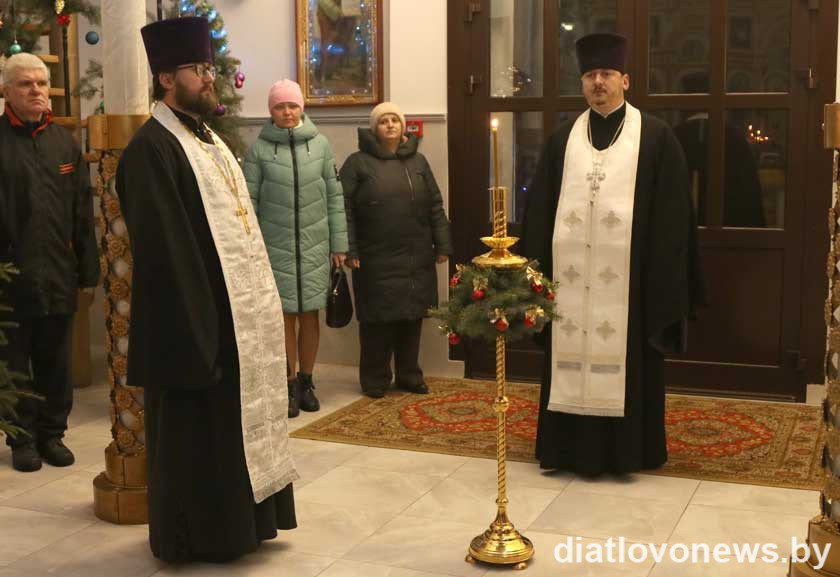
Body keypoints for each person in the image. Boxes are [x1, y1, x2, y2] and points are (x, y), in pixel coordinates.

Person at [115, 17, 297, 562]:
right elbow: (165, 254)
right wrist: (203, 330)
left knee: (230, 431)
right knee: (195, 437)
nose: (210, 77)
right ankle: (202, 538)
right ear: (167, 78)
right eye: (199, 69)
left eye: (210, 67)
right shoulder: (151, 149)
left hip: (233, 319)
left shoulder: (210, 140)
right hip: (192, 326)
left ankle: (245, 527)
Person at [522, 33, 703, 476]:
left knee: (631, 362)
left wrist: (660, 277)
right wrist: (535, 276)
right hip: (569, 287)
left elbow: (673, 217)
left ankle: (629, 452)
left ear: (625, 80)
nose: (598, 82)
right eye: (590, 75)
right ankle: (565, 449)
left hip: (632, 287)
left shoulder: (656, 137)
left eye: (606, 74)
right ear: (582, 83)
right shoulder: (562, 139)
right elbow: (541, 210)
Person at [0, 53, 99, 472]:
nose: (36, 91)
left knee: (55, 361)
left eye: (41, 83)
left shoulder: (65, 143)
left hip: (58, 272)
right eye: (26, 84)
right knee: (15, 363)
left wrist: (88, 270)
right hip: (10, 275)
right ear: (6, 91)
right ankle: (21, 439)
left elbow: (82, 211)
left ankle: (52, 434)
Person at [244, 79, 347, 418]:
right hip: (275, 248)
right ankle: (287, 383)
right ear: (271, 110)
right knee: (284, 316)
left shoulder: (320, 146)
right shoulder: (258, 151)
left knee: (310, 314)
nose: (287, 112)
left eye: (292, 106)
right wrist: (251, 247)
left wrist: (339, 244)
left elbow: (334, 197)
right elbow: (249, 202)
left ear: (301, 108)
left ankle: (307, 381)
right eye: (280, 106)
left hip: (315, 246)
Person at [340, 102, 453, 398]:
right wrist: (350, 250)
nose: (390, 125)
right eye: (383, 121)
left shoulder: (419, 162)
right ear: (374, 128)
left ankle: (409, 375)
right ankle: (375, 379)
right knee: (378, 321)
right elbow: (343, 210)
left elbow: (435, 205)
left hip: (416, 255)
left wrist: (442, 244)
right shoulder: (357, 163)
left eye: (395, 120)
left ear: (403, 126)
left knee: (411, 318)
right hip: (374, 256)